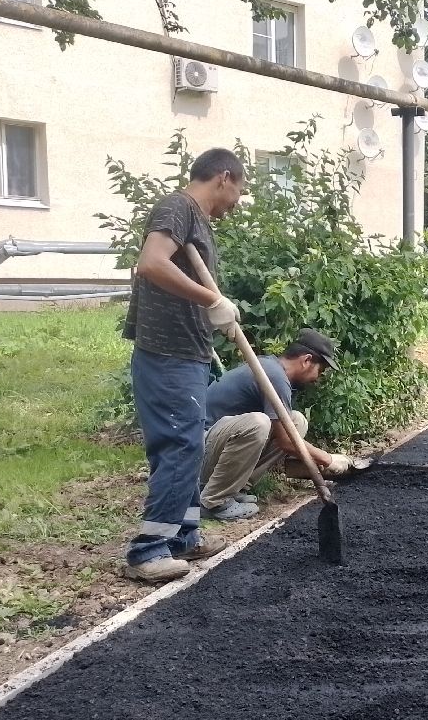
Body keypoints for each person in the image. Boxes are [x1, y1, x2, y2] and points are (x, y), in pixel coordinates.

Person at [122, 148, 246, 584]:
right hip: (168, 355)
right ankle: (149, 549)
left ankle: (183, 537)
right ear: (224, 178)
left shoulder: (195, 219)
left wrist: (213, 314)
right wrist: (211, 299)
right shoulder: (178, 207)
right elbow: (152, 263)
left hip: (186, 355)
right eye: (239, 191)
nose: (235, 202)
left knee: (188, 444)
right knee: (179, 446)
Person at [200, 329, 356, 520]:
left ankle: (234, 488)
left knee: (296, 421)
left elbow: (287, 433)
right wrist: (328, 460)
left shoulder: (273, 370)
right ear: (307, 360)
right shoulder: (274, 376)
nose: (318, 378)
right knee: (259, 423)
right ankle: (215, 501)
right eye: (320, 370)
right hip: (198, 452)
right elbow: (286, 441)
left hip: (215, 447)